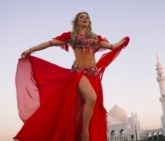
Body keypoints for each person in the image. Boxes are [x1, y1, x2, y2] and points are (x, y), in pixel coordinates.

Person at [14, 11, 130, 141]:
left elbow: (111, 46)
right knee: (91, 98)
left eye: (87, 17)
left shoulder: (96, 38)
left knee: (84, 106)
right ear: (77, 21)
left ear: (89, 22)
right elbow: (50, 43)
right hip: (78, 72)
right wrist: (31, 49)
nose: (85, 19)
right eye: (81, 17)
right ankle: (84, 133)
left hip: (93, 75)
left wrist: (123, 40)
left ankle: (79, 132)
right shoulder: (71, 36)